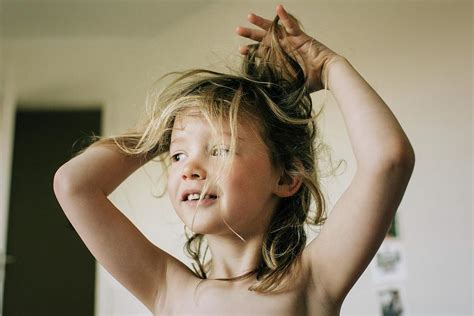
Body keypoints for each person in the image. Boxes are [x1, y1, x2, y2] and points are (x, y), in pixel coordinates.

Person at [53, 4, 415, 315]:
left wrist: (330, 66)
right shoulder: (166, 288)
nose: (190, 168)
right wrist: (156, 133)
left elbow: (388, 158)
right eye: (177, 154)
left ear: (286, 177)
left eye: (220, 150)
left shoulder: (313, 282)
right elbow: (74, 186)